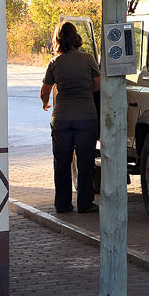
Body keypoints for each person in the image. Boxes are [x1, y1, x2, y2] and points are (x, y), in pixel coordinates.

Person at [40, 21, 101, 214]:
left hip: (62, 118)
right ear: (76, 37)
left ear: (57, 40)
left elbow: (45, 91)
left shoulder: (55, 63)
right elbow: (98, 84)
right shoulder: (88, 59)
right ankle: (85, 203)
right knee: (85, 162)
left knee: (62, 162)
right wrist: (85, 90)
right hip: (86, 117)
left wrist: (45, 103)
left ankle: (63, 205)